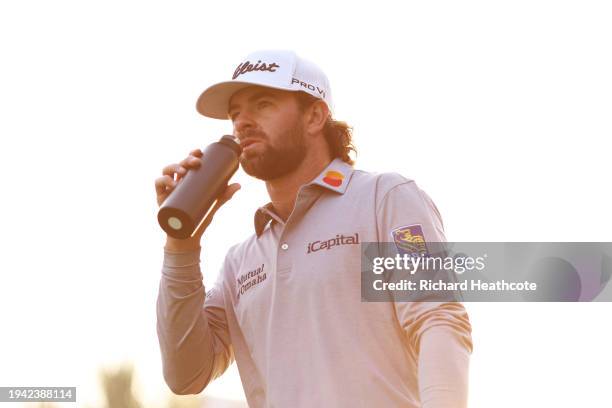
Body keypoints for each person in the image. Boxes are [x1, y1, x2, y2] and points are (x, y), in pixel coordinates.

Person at [155, 50, 473, 408]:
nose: (242, 123)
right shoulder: (239, 263)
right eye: (235, 114)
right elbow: (186, 375)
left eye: (262, 104)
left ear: (315, 116)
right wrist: (180, 246)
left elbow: (438, 319)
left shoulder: (385, 199)